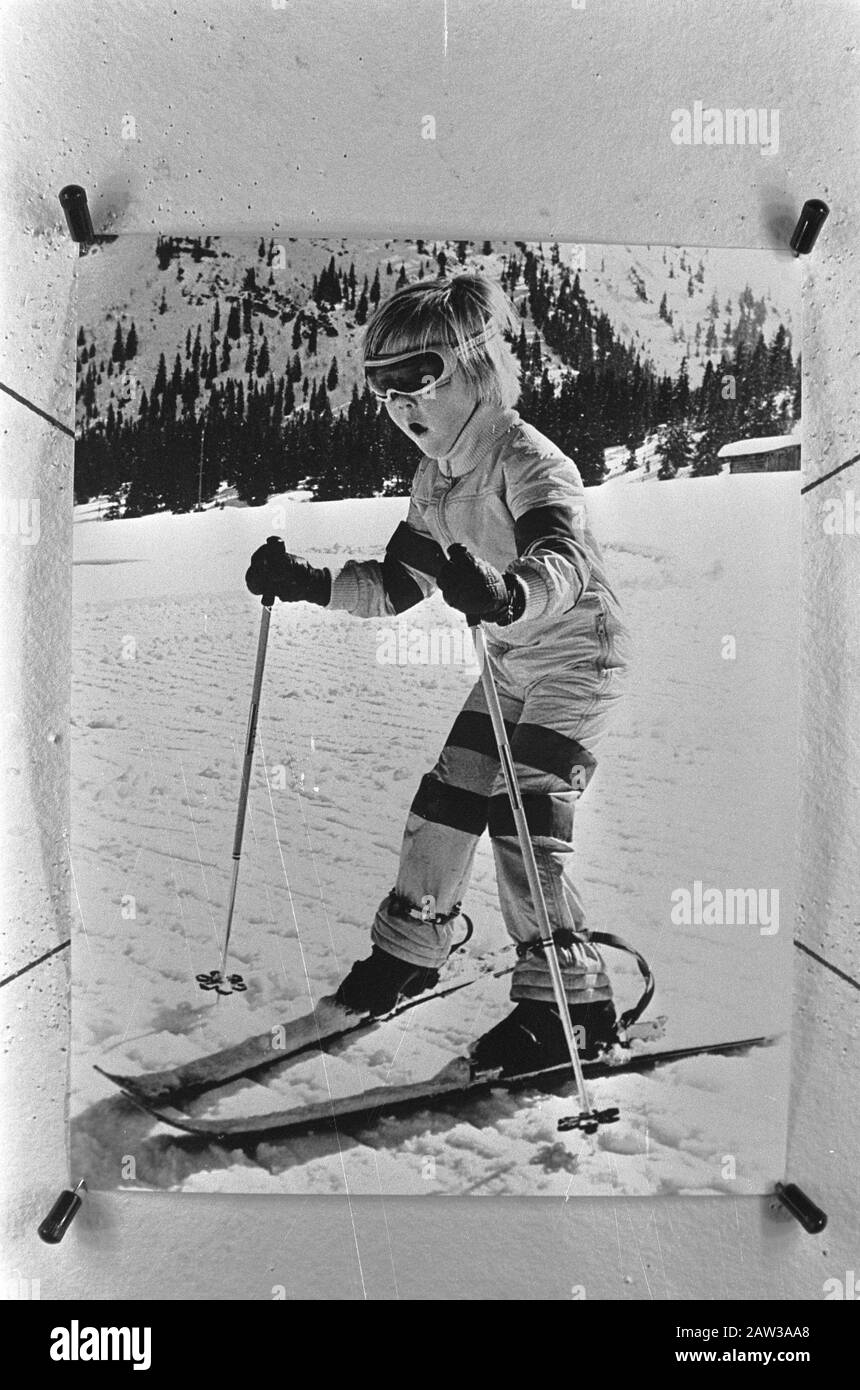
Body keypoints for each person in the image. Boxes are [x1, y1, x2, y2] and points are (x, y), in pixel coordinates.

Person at [246, 271, 630, 1073]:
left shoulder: (529, 461)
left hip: (577, 654)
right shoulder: (437, 480)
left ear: (478, 367)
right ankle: (412, 951)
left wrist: (506, 589)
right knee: (448, 799)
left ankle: (572, 1006)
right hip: (513, 661)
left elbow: (561, 558)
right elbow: (394, 584)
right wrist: (309, 582)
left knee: (524, 816)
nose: (399, 404)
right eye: (382, 387)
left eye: (418, 378)